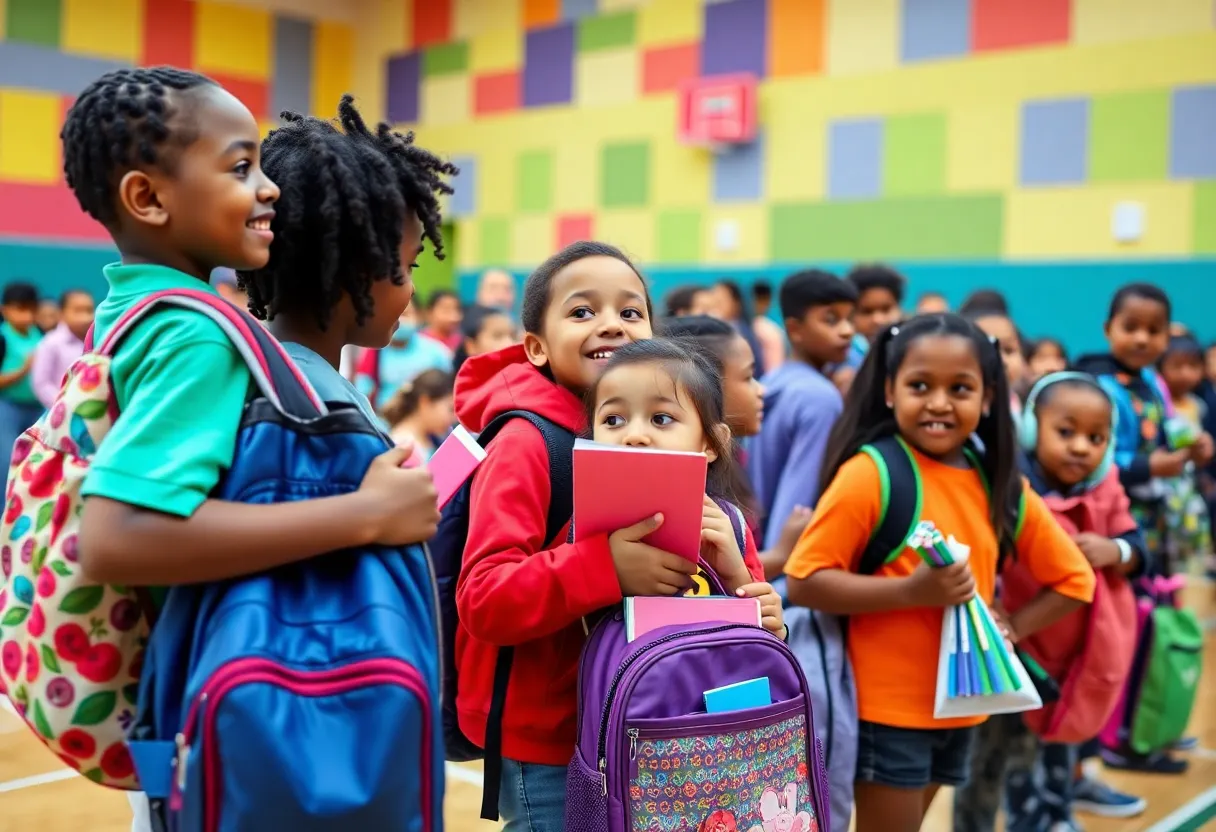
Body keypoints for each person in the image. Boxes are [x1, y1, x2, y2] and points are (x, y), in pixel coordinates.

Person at [59, 68, 441, 829]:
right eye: (241, 168)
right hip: (247, 718)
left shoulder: (140, 309)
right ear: (149, 198)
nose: (265, 189)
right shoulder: (196, 339)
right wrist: (364, 515)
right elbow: (115, 535)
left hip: (187, 696)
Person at [785, 314, 1095, 832]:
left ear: (989, 396)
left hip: (964, 706)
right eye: (920, 385)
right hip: (887, 712)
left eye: (961, 388)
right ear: (889, 390)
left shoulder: (997, 482)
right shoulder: (871, 473)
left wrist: (1013, 626)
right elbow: (805, 580)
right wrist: (913, 590)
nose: (939, 402)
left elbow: (1074, 580)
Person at [454, 241, 685, 830]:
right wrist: (605, 567)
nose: (612, 323)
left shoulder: (657, 436)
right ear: (535, 346)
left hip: (636, 717)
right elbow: (484, 596)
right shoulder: (526, 445)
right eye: (582, 312)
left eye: (631, 312)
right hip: (550, 743)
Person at [954, 373, 1151, 831]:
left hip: (1074, 660)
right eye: (1066, 432)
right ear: (1030, 429)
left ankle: (1054, 818)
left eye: (1096, 437)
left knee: (1062, 744)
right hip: (1013, 654)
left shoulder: (1107, 489)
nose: (1081, 447)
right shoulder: (1011, 488)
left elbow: (1140, 547)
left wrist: (1117, 550)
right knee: (992, 757)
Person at [236, 93, 457, 439]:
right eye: (409, 265)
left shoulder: (257, 373)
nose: (412, 289)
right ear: (355, 268)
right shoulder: (323, 414)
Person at [587, 337, 783, 634]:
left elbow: (764, 638)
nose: (634, 435)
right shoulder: (585, 526)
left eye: (661, 418)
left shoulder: (730, 526)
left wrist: (739, 581)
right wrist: (604, 567)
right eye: (613, 420)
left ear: (711, 443)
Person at [659, 315, 812, 580]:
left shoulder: (737, 457)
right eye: (749, 377)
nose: (761, 390)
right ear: (708, 388)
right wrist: (780, 554)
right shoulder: (685, 483)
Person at [749, 270, 856, 549]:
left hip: (756, 542)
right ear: (794, 329)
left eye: (849, 318)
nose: (847, 330)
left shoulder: (773, 380)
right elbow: (798, 502)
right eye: (831, 319)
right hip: (783, 564)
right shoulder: (819, 398)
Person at [1156, 334, 1212, 571]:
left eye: (1192, 366)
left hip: (1188, 485)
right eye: (1177, 366)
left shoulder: (1198, 406)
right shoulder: (1158, 403)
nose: (1185, 373)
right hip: (1162, 483)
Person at [353, 301, 452, 411]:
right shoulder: (375, 350)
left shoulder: (437, 352)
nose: (399, 321)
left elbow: (448, 392)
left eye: (405, 314)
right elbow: (362, 391)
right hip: (383, 421)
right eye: (394, 315)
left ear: (418, 317)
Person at [0, 281, 44, 457]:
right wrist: (23, 369)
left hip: (37, 407)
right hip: (7, 407)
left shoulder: (40, 333)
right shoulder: (2, 337)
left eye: (31, 309)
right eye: (19, 308)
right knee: (6, 459)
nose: (26, 315)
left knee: (35, 457)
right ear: (4, 309)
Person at [31, 288, 94, 408]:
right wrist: (64, 406)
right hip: (60, 414)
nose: (85, 316)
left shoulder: (97, 339)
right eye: (78, 310)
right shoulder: (50, 343)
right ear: (62, 313)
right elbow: (41, 383)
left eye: (89, 310)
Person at [382, 369, 455, 456]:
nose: (454, 418)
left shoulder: (433, 439)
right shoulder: (402, 445)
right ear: (425, 402)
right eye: (450, 409)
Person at [706, 279, 768, 377]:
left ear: (736, 303)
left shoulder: (737, 331)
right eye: (713, 302)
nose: (715, 307)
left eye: (720, 301)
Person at [451, 303, 517, 375]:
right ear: (471, 345)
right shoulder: (452, 384)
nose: (509, 343)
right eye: (497, 336)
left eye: (512, 335)